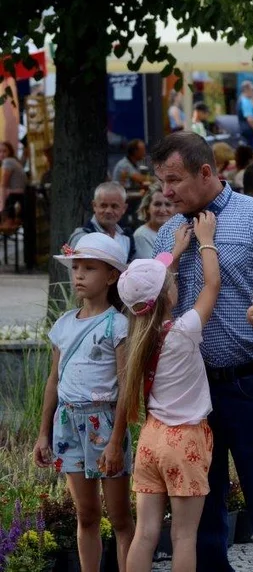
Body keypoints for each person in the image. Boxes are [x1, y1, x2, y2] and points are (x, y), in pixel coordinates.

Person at [150, 132, 253, 572]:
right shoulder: (167, 235)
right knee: (199, 500)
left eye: (173, 180)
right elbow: (151, 309)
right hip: (188, 394)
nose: (165, 192)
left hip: (251, 382)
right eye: (160, 182)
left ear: (206, 172)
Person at [121, 213, 219, 572]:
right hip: (185, 442)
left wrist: (173, 253)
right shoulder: (182, 332)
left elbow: (146, 289)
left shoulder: (135, 338)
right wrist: (205, 241)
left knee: (144, 534)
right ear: (168, 294)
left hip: (151, 439)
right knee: (183, 537)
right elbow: (212, 287)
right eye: (173, 280)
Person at [34, 233, 135, 572]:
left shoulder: (118, 325)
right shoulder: (63, 325)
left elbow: (125, 386)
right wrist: (43, 433)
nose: (78, 275)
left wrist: (115, 440)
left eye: (89, 268)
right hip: (68, 423)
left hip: (104, 424)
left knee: (120, 516)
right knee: (86, 514)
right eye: (75, 267)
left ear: (111, 276)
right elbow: (54, 381)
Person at [70, 181, 136, 263]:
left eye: (114, 206)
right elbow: (75, 272)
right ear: (94, 206)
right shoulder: (82, 236)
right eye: (103, 205)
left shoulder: (126, 238)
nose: (108, 211)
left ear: (124, 208)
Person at [132, 184, 175, 260]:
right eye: (157, 204)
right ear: (147, 208)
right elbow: (153, 268)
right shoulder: (142, 235)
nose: (162, 210)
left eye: (168, 204)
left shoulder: (178, 231)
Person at [1, 140, 27, 223]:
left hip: (14, 197)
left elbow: (3, 184)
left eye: (4, 151)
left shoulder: (8, 161)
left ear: (10, 152)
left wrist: (1, 205)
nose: (1, 154)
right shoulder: (14, 161)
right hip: (21, 197)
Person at [238, 81, 253, 149]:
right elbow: (250, 119)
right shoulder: (245, 102)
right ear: (246, 90)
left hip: (249, 132)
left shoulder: (245, 100)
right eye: (252, 89)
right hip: (250, 133)